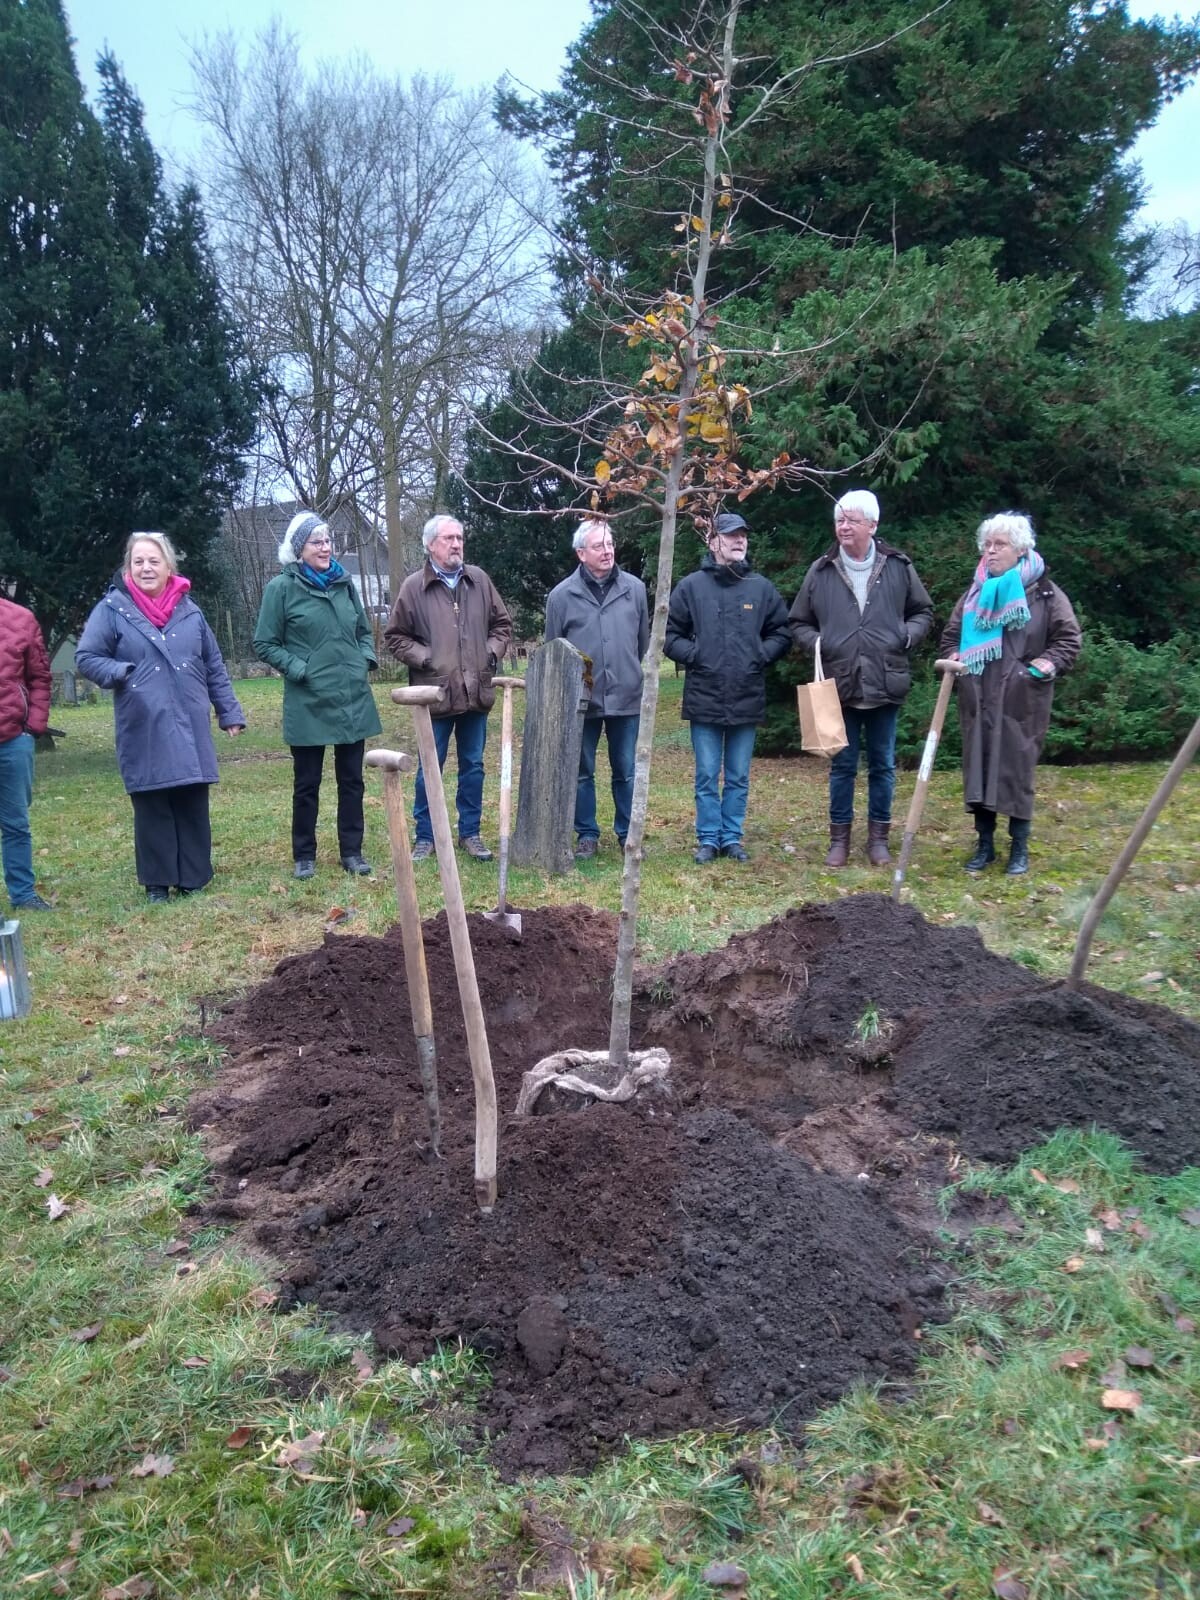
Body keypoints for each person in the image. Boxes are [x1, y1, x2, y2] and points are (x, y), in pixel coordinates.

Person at [76, 532, 246, 901]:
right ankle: (157, 883)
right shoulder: (112, 609)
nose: (146, 568)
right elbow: (87, 657)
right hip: (143, 720)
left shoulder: (191, 611)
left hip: (189, 717)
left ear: (169, 566)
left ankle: (193, 878)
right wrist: (122, 672)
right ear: (128, 568)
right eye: (138, 561)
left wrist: (228, 711)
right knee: (153, 801)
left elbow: (213, 664)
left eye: (154, 561)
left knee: (190, 797)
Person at [789, 490, 933, 867]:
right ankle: (839, 841)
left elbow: (923, 612)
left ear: (872, 524)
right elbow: (798, 622)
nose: (843, 526)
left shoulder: (898, 567)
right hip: (841, 684)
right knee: (843, 766)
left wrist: (907, 636)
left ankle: (878, 841)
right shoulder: (821, 571)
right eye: (839, 520)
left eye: (851, 520)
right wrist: (821, 643)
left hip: (886, 682)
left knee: (883, 765)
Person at [941, 511, 1082, 876]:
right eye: (986, 544)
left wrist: (1036, 670)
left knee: (1018, 770)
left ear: (1020, 550)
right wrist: (956, 657)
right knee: (980, 766)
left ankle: (1019, 847)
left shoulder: (1046, 593)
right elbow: (951, 636)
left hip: (1022, 699)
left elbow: (1068, 640)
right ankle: (984, 845)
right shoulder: (974, 594)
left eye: (999, 544)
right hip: (978, 694)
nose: (990, 551)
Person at [253, 511, 381, 880]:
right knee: (307, 783)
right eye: (316, 541)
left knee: (352, 781)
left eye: (328, 541)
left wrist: (365, 660)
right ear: (299, 549)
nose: (325, 547)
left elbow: (363, 630)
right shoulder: (281, 588)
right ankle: (304, 855)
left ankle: (352, 852)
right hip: (308, 701)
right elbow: (264, 642)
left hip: (351, 696)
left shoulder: (345, 583)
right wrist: (299, 668)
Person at [664, 512, 792, 863]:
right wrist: (698, 655)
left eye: (743, 536)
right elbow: (669, 636)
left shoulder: (761, 588)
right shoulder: (691, 587)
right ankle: (708, 838)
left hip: (746, 694)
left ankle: (732, 837)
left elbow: (782, 632)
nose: (740, 541)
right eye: (732, 535)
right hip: (704, 694)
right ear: (713, 541)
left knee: (737, 775)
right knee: (707, 775)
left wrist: (758, 656)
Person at [385, 515, 513, 861]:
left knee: (473, 765)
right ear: (430, 545)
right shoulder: (414, 587)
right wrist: (427, 659)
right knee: (431, 766)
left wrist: (489, 653)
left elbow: (502, 625)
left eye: (459, 538)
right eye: (448, 539)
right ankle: (426, 836)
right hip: (434, 694)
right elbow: (395, 637)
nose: (456, 544)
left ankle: (470, 834)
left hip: (475, 692)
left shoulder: (479, 581)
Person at [545, 519, 650, 858]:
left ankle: (627, 835)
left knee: (626, 770)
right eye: (598, 546)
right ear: (580, 554)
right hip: (581, 699)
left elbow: (642, 641)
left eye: (610, 544)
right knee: (581, 771)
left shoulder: (634, 588)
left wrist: (629, 671)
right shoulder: (561, 596)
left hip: (626, 695)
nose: (607, 552)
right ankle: (586, 834)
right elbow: (554, 650)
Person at [0, 595, 53, 911]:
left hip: (12, 741)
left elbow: (40, 678)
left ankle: (23, 894)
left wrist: (32, 726)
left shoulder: (20, 618)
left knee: (16, 822)